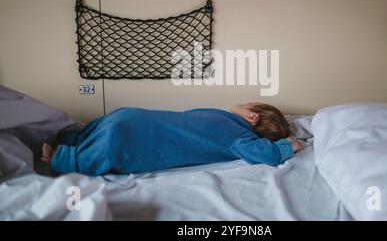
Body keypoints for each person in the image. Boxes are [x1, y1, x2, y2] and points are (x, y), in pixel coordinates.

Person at [41, 102, 304, 176]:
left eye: (248, 106)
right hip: (134, 136)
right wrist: (285, 145)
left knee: (101, 136)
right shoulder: (234, 130)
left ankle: (71, 141)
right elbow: (265, 152)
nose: (239, 105)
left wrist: (282, 147)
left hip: (131, 117)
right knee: (110, 151)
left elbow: (264, 153)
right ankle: (67, 158)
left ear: (252, 118)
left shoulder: (228, 122)